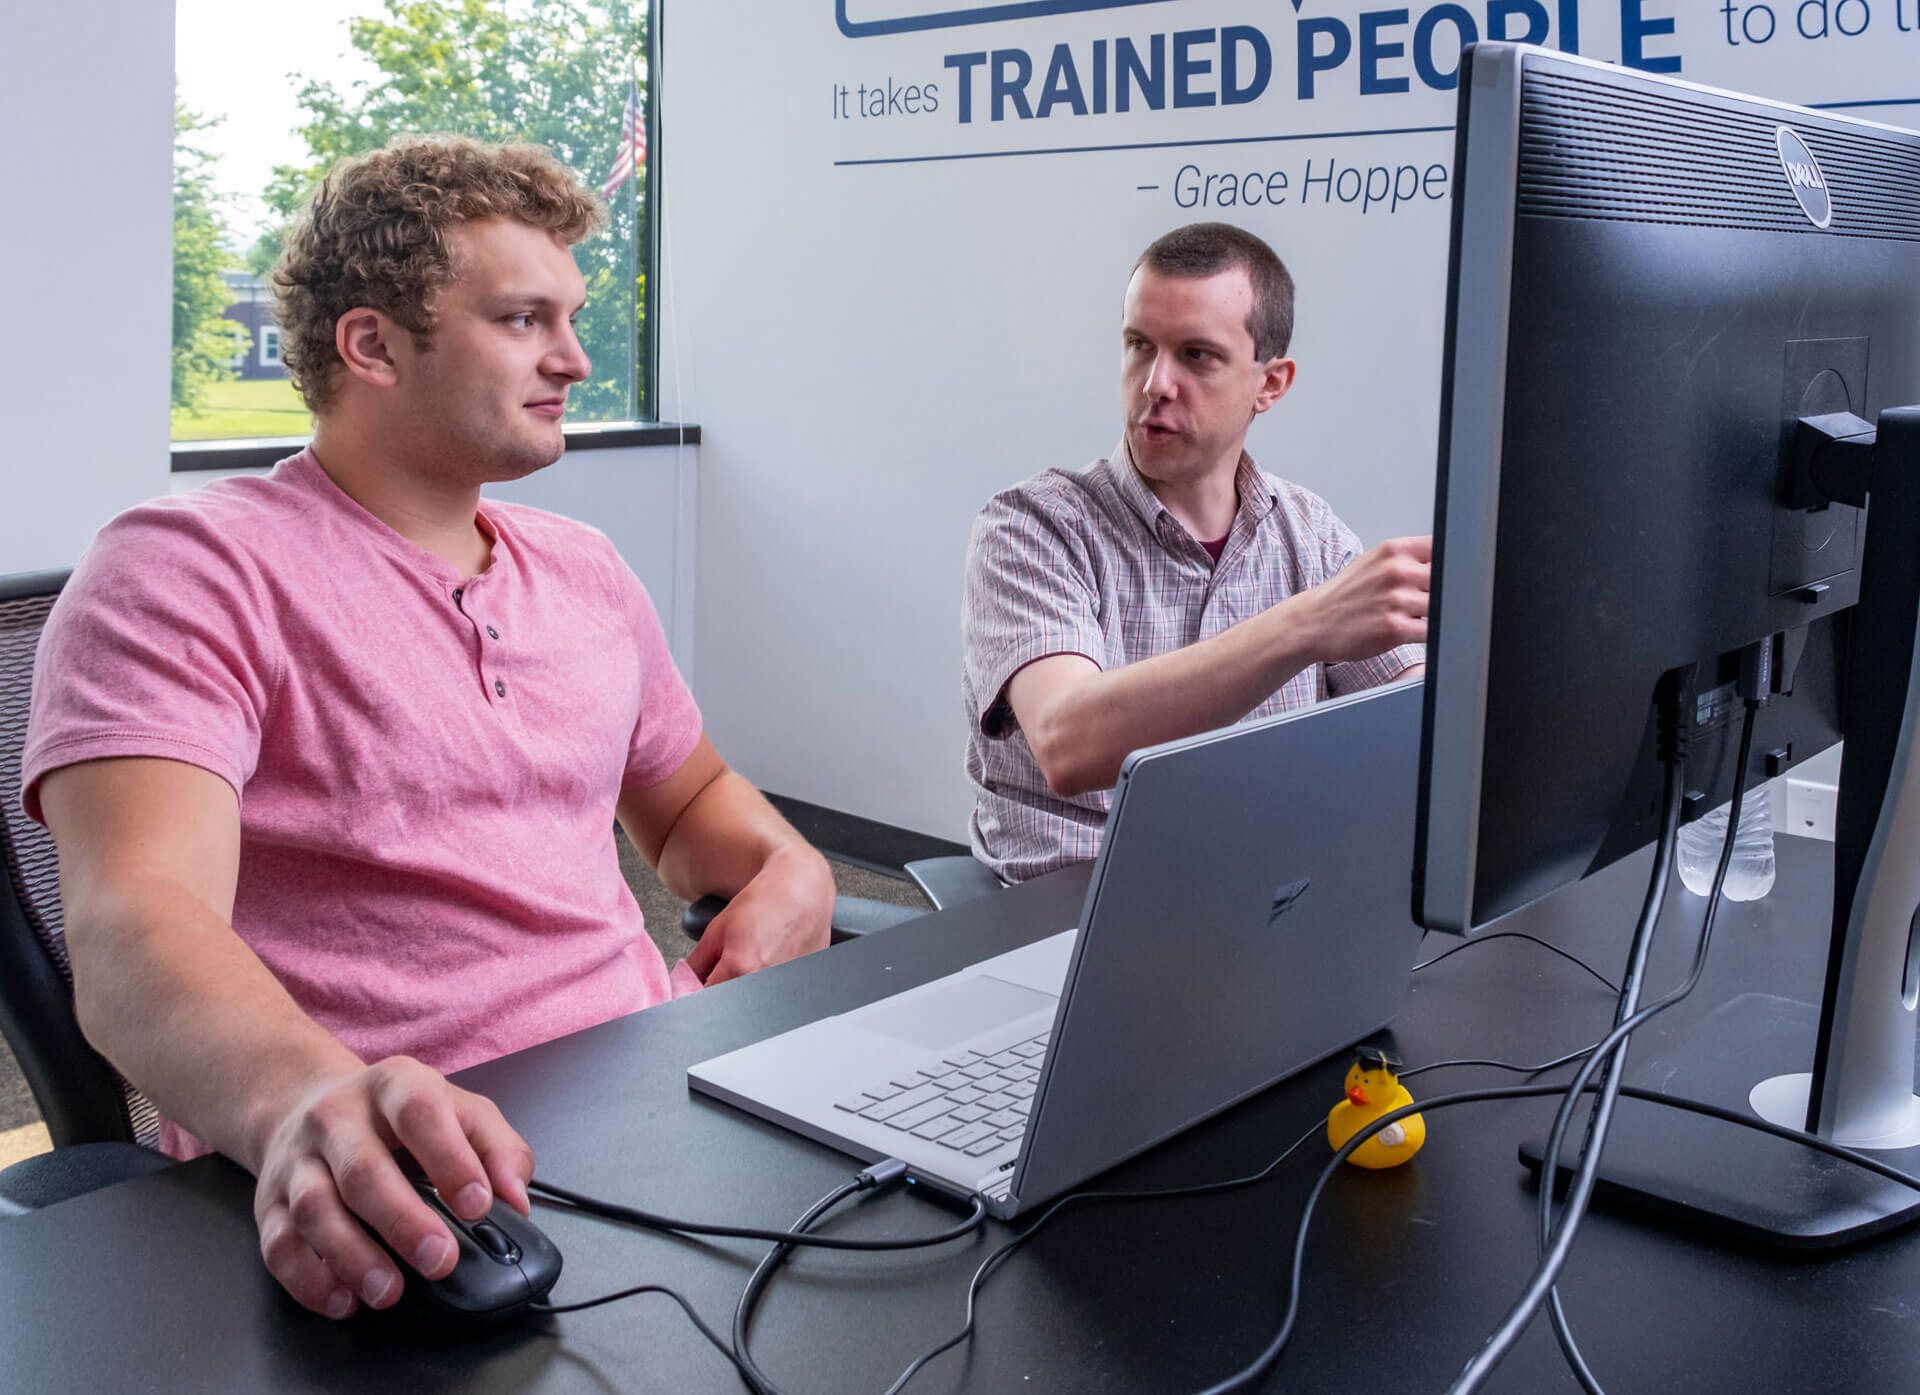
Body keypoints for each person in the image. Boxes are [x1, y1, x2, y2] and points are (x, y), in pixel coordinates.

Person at [24, 137, 835, 1321]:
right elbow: (133, 921)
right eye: (522, 320)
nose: (574, 358)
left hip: (664, 1104)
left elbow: (693, 805)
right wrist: (306, 1102)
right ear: (372, 346)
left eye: (571, 319)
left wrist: (793, 867)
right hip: (413, 1179)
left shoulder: (585, 569)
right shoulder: (187, 570)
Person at [963, 221, 1428, 883]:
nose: (1156, 383)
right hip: (1076, 899)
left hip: (1255, 896)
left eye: (1196, 355)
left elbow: (1416, 722)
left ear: (1270, 383)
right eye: (1139, 345)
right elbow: (1069, 742)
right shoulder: (1033, 525)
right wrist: (1305, 626)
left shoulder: (1310, 533)